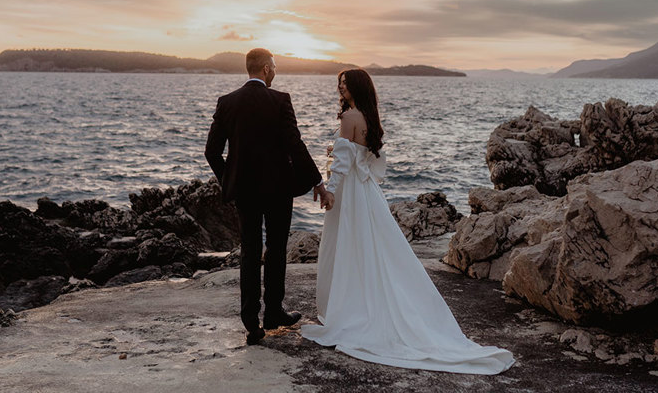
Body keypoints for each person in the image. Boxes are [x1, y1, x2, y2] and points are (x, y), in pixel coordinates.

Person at [301, 69, 515, 374]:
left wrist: (330, 193)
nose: (340, 87)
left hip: (350, 193)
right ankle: (363, 303)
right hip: (368, 192)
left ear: (356, 87)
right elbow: (368, 160)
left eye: (345, 83)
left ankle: (352, 310)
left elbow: (344, 164)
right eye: (339, 83)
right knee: (372, 250)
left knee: (349, 248)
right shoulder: (370, 117)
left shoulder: (349, 117)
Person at [205, 48, 334, 345]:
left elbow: (211, 152)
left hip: (245, 193)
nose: (275, 72)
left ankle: (252, 323)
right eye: (274, 67)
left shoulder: (227, 102)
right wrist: (317, 182)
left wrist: (229, 181)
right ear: (265, 69)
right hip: (278, 190)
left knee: (250, 252)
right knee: (276, 250)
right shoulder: (280, 101)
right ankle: (274, 312)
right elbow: (295, 145)